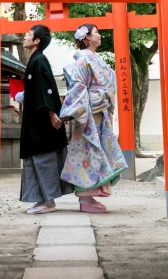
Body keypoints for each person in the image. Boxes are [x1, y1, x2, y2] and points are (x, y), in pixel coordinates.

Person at [60, 23, 128, 213]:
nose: (100, 36)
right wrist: (71, 111)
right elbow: (79, 86)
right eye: (97, 33)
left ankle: (90, 195)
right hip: (89, 112)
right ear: (87, 38)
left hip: (99, 110)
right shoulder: (83, 59)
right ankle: (86, 197)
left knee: (97, 151)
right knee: (88, 151)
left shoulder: (93, 58)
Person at [18, 24, 73, 214]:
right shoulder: (35, 60)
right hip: (35, 119)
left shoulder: (40, 60)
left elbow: (47, 89)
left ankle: (48, 201)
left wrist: (51, 113)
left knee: (43, 158)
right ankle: (41, 198)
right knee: (35, 158)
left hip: (41, 121)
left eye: (29, 34)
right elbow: (37, 90)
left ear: (37, 41)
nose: (25, 36)